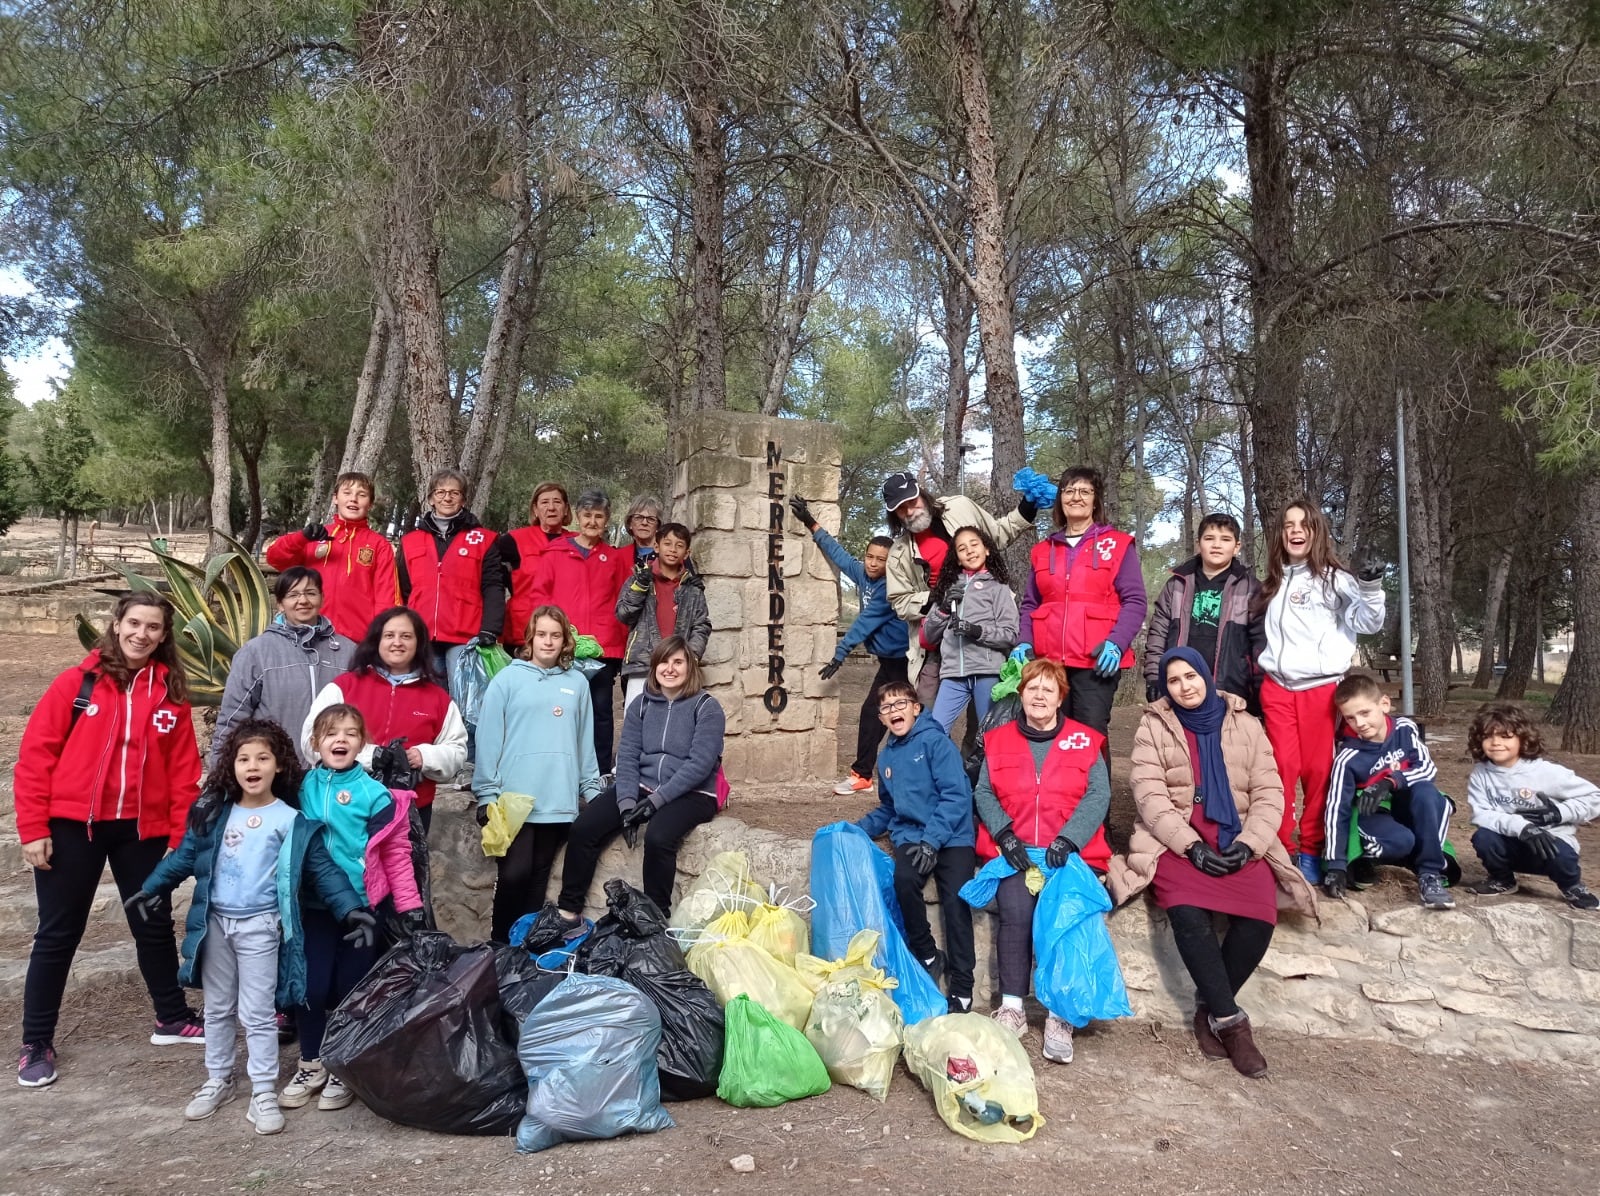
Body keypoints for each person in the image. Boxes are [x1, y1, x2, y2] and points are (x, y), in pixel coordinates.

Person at [125, 720, 377, 1135]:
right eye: (244, 758)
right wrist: (153, 886)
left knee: (258, 1013)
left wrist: (351, 909)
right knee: (219, 1008)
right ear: (232, 765)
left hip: (261, 926)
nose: (252, 765)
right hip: (214, 925)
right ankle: (218, 1079)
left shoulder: (290, 820)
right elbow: (187, 854)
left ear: (279, 766)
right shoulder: (215, 813)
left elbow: (322, 870)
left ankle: (262, 1089)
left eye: (263, 757)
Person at [14, 592, 206, 1089]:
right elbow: (36, 758)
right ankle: (36, 1041)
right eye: (134, 623)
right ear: (117, 624)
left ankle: (171, 1018)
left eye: (154, 627)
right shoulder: (75, 685)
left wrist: (181, 835)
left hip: (140, 831)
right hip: (72, 827)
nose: (142, 634)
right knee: (58, 935)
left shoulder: (170, 694)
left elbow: (186, 771)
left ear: (165, 636)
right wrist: (34, 829)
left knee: (152, 922)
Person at [1110, 647, 1318, 1078]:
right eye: (1174, 680)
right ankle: (1233, 1024)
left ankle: (1209, 1010)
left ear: (1206, 675)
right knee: (1187, 914)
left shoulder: (1246, 723)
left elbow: (1269, 792)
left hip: (1238, 838)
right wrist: (1190, 845)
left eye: (1191, 676)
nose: (1184, 686)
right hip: (1177, 841)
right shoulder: (1154, 725)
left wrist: (1250, 844)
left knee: (1259, 917)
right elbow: (1149, 797)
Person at [281, 704, 423, 1113]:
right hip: (312, 905)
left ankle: (344, 1066)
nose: (339, 740)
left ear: (362, 743)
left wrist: (409, 905)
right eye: (330, 733)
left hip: (362, 908)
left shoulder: (374, 795)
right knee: (310, 987)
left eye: (348, 733)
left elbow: (396, 854)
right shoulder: (301, 788)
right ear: (315, 744)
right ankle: (311, 1062)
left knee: (352, 989)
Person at [972, 659, 1110, 1064]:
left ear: (1061, 697)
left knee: (1062, 916)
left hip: (1066, 850)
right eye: (1032, 687)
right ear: (1021, 693)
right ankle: (1012, 1006)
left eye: (1048, 689)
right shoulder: (997, 739)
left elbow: (1098, 796)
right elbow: (984, 792)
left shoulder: (1085, 740)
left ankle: (1059, 1015)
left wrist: (1069, 840)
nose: (1039, 695)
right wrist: (1003, 834)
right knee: (1015, 910)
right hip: (1016, 850)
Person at [1254, 498, 1385, 883]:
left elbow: (1367, 621)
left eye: (1304, 525)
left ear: (1317, 532)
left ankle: (1312, 848)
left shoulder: (1334, 579)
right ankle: (1279, 849)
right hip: (1277, 688)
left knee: (1317, 771)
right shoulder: (1275, 581)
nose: (1295, 531)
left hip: (1319, 690)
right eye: (1288, 525)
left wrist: (1372, 588)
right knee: (1280, 770)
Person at [557, 637, 724, 918]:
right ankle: (568, 911)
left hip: (692, 793)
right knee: (584, 828)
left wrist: (655, 802)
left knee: (659, 837)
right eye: (663, 662)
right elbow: (628, 757)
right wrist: (625, 805)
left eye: (678, 662)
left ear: (690, 668)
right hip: (643, 785)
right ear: (654, 667)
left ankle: (655, 919)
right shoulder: (640, 706)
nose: (669, 669)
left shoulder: (707, 707)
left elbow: (700, 765)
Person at [474, 606, 602, 942]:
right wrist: (486, 794)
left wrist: (592, 792)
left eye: (555, 635)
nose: (548, 642)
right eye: (542, 634)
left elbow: (584, 742)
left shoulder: (577, 683)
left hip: (557, 796)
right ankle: (499, 945)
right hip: (514, 798)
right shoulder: (507, 679)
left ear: (565, 641)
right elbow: (488, 738)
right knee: (515, 873)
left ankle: (523, 950)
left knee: (538, 880)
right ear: (530, 638)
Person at [855, 679, 978, 1014]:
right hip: (911, 836)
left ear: (915, 708)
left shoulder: (936, 743)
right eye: (886, 707)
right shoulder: (886, 758)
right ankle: (926, 952)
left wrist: (932, 841)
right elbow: (888, 808)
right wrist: (856, 830)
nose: (894, 711)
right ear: (881, 718)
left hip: (951, 835)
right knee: (904, 881)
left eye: (900, 704)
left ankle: (963, 983)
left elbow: (956, 796)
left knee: (956, 899)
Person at [301, 606, 468, 835]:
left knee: (401, 870)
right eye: (389, 635)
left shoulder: (438, 699)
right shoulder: (344, 686)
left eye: (406, 636)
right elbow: (312, 740)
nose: (397, 642)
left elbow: (457, 751)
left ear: (419, 643)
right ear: (376, 641)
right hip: (344, 805)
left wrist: (423, 756)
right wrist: (370, 756)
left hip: (411, 810)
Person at [881, 471, 1037, 706]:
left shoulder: (960, 507)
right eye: (901, 508)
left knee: (988, 711)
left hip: (986, 624)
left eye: (912, 501)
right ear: (894, 514)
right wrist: (937, 598)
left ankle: (976, 743)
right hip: (939, 632)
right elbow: (900, 602)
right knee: (926, 708)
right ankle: (931, 741)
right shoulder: (898, 554)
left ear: (921, 493)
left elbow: (998, 534)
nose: (910, 511)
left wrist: (1028, 505)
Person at [1015, 466, 1146, 738]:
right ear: (1060, 498)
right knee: (1048, 734)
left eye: (1085, 491)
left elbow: (1135, 601)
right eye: (1070, 490)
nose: (1077, 497)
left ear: (1095, 499)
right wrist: (1024, 641)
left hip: (1096, 663)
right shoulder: (1042, 550)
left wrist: (1117, 643)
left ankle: (1096, 783)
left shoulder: (1118, 544)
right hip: (1048, 662)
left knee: (1089, 737)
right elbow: (1030, 604)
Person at [789, 495, 907, 795]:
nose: (873, 563)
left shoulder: (888, 589)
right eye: (870, 556)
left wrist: (839, 655)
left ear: (890, 563)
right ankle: (865, 775)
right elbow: (838, 554)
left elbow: (863, 623)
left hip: (906, 662)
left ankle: (867, 775)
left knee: (885, 714)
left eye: (881, 560)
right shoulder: (862, 574)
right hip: (889, 662)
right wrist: (809, 522)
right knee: (878, 715)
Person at [1321, 674, 1456, 910]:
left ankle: (1429, 875)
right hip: (1373, 813)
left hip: (1404, 804)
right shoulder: (1348, 758)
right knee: (1403, 841)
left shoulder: (1405, 728)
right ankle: (1370, 856)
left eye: (1365, 713)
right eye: (1350, 718)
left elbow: (1427, 768)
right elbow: (1336, 808)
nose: (1359, 723)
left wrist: (1391, 782)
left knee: (1428, 793)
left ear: (1384, 704)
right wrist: (1336, 865)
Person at [533, 489, 632, 775]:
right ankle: (560, 770)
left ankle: (600, 772)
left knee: (601, 711)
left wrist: (620, 642)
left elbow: (622, 602)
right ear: (578, 516)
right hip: (564, 644)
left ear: (607, 520)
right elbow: (541, 596)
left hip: (603, 647)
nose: (592, 521)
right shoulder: (555, 553)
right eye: (587, 515)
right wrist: (549, 635)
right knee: (561, 710)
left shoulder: (613, 559)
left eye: (599, 516)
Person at [1465, 702, 1600, 909]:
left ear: (1523, 739)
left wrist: (1558, 813)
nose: (1495, 742)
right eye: (1487, 736)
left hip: (1549, 844)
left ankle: (1572, 886)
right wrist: (1522, 827)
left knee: (1561, 855)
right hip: (1510, 843)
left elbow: (1594, 797)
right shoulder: (1481, 773)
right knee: (1483, 837)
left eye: (1505, 736)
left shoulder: (1547, 772)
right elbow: (1480, 814)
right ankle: (1502, 879)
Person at [212, 567, 352, 766]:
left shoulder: (348, 652)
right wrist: (219, 777)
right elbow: (233, 717)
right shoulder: (256, 652)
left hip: (335, 777)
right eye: (293, 595)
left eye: (310, 593)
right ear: (280, 603)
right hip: (275, 774)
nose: (302, 601)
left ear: (322, 598)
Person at [1144, 512, 1264, 713]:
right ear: (1199, 544)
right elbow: (1158, 632)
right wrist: (1155, 676)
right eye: (1209, 538)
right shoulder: (1177, 585)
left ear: (1236, 547)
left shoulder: (1250, 588)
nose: (1216, 545)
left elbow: (1260, 642)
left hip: (1231, 689)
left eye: (1225, 539)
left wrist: (1259, 687)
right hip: (1181, 687)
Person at [398, 469, 505, 686]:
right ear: (430, 498)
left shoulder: (483, 539)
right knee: (429, 699)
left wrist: (490, 629)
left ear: (463, 499)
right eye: (440, 492)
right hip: (422, 635)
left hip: (466, 635)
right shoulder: (410, 541)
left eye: (454, 493)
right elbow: (404, 587)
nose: (447, 497)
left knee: (462, 702)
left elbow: (494, 587)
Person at [264, 472, 398, 641]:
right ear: (335, 498)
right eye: (347, 493)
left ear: (370, 504)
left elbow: (386, 598)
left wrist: (378, 638)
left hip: (356, 641)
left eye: (362, 495)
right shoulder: (314, 537)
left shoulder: (379, 545)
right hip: (310, 634)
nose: (353, 499)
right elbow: (275, 557)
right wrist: (301, 537)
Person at [919, 526, 1018, 735]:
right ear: (956, 558)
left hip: (987, 672)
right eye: (962, 549)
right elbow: (927, 637)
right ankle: (944, 768)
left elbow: (1010, 634)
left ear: (987, 549)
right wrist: (944, 609)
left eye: (974, 544)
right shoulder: (949, 587)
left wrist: (976, 631)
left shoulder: (998, 587)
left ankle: (988, 769)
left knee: (990, 736)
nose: (970, 551)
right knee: (935, 732)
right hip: (953, 674)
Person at [616, 522, 710, 713]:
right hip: (642, 665)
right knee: (637, 721)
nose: (673, 550)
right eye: (668, 543)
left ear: (687, 552)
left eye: (679, 545)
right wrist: (640, 587)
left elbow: (702, 625)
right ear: (657, 547)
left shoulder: (693, 589)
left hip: (678, 668)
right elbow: (624, 614)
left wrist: (691, 656)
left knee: (676, 724)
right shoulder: (638, 579)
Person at [501, 482, 572, 648]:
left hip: (566, 628)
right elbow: (493, 581)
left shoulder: (578, 542)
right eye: (545, 502)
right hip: (523, 629)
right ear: (535, 509)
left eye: (557, 502)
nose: (551, 507)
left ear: (566, 508)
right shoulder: (512, 541)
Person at [623, 494, 664, 566]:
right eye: (638, 518)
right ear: (630, 524)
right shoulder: (619, 556)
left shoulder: (672, 555)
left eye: (651, 519)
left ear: (658, 526)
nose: (644, 523)